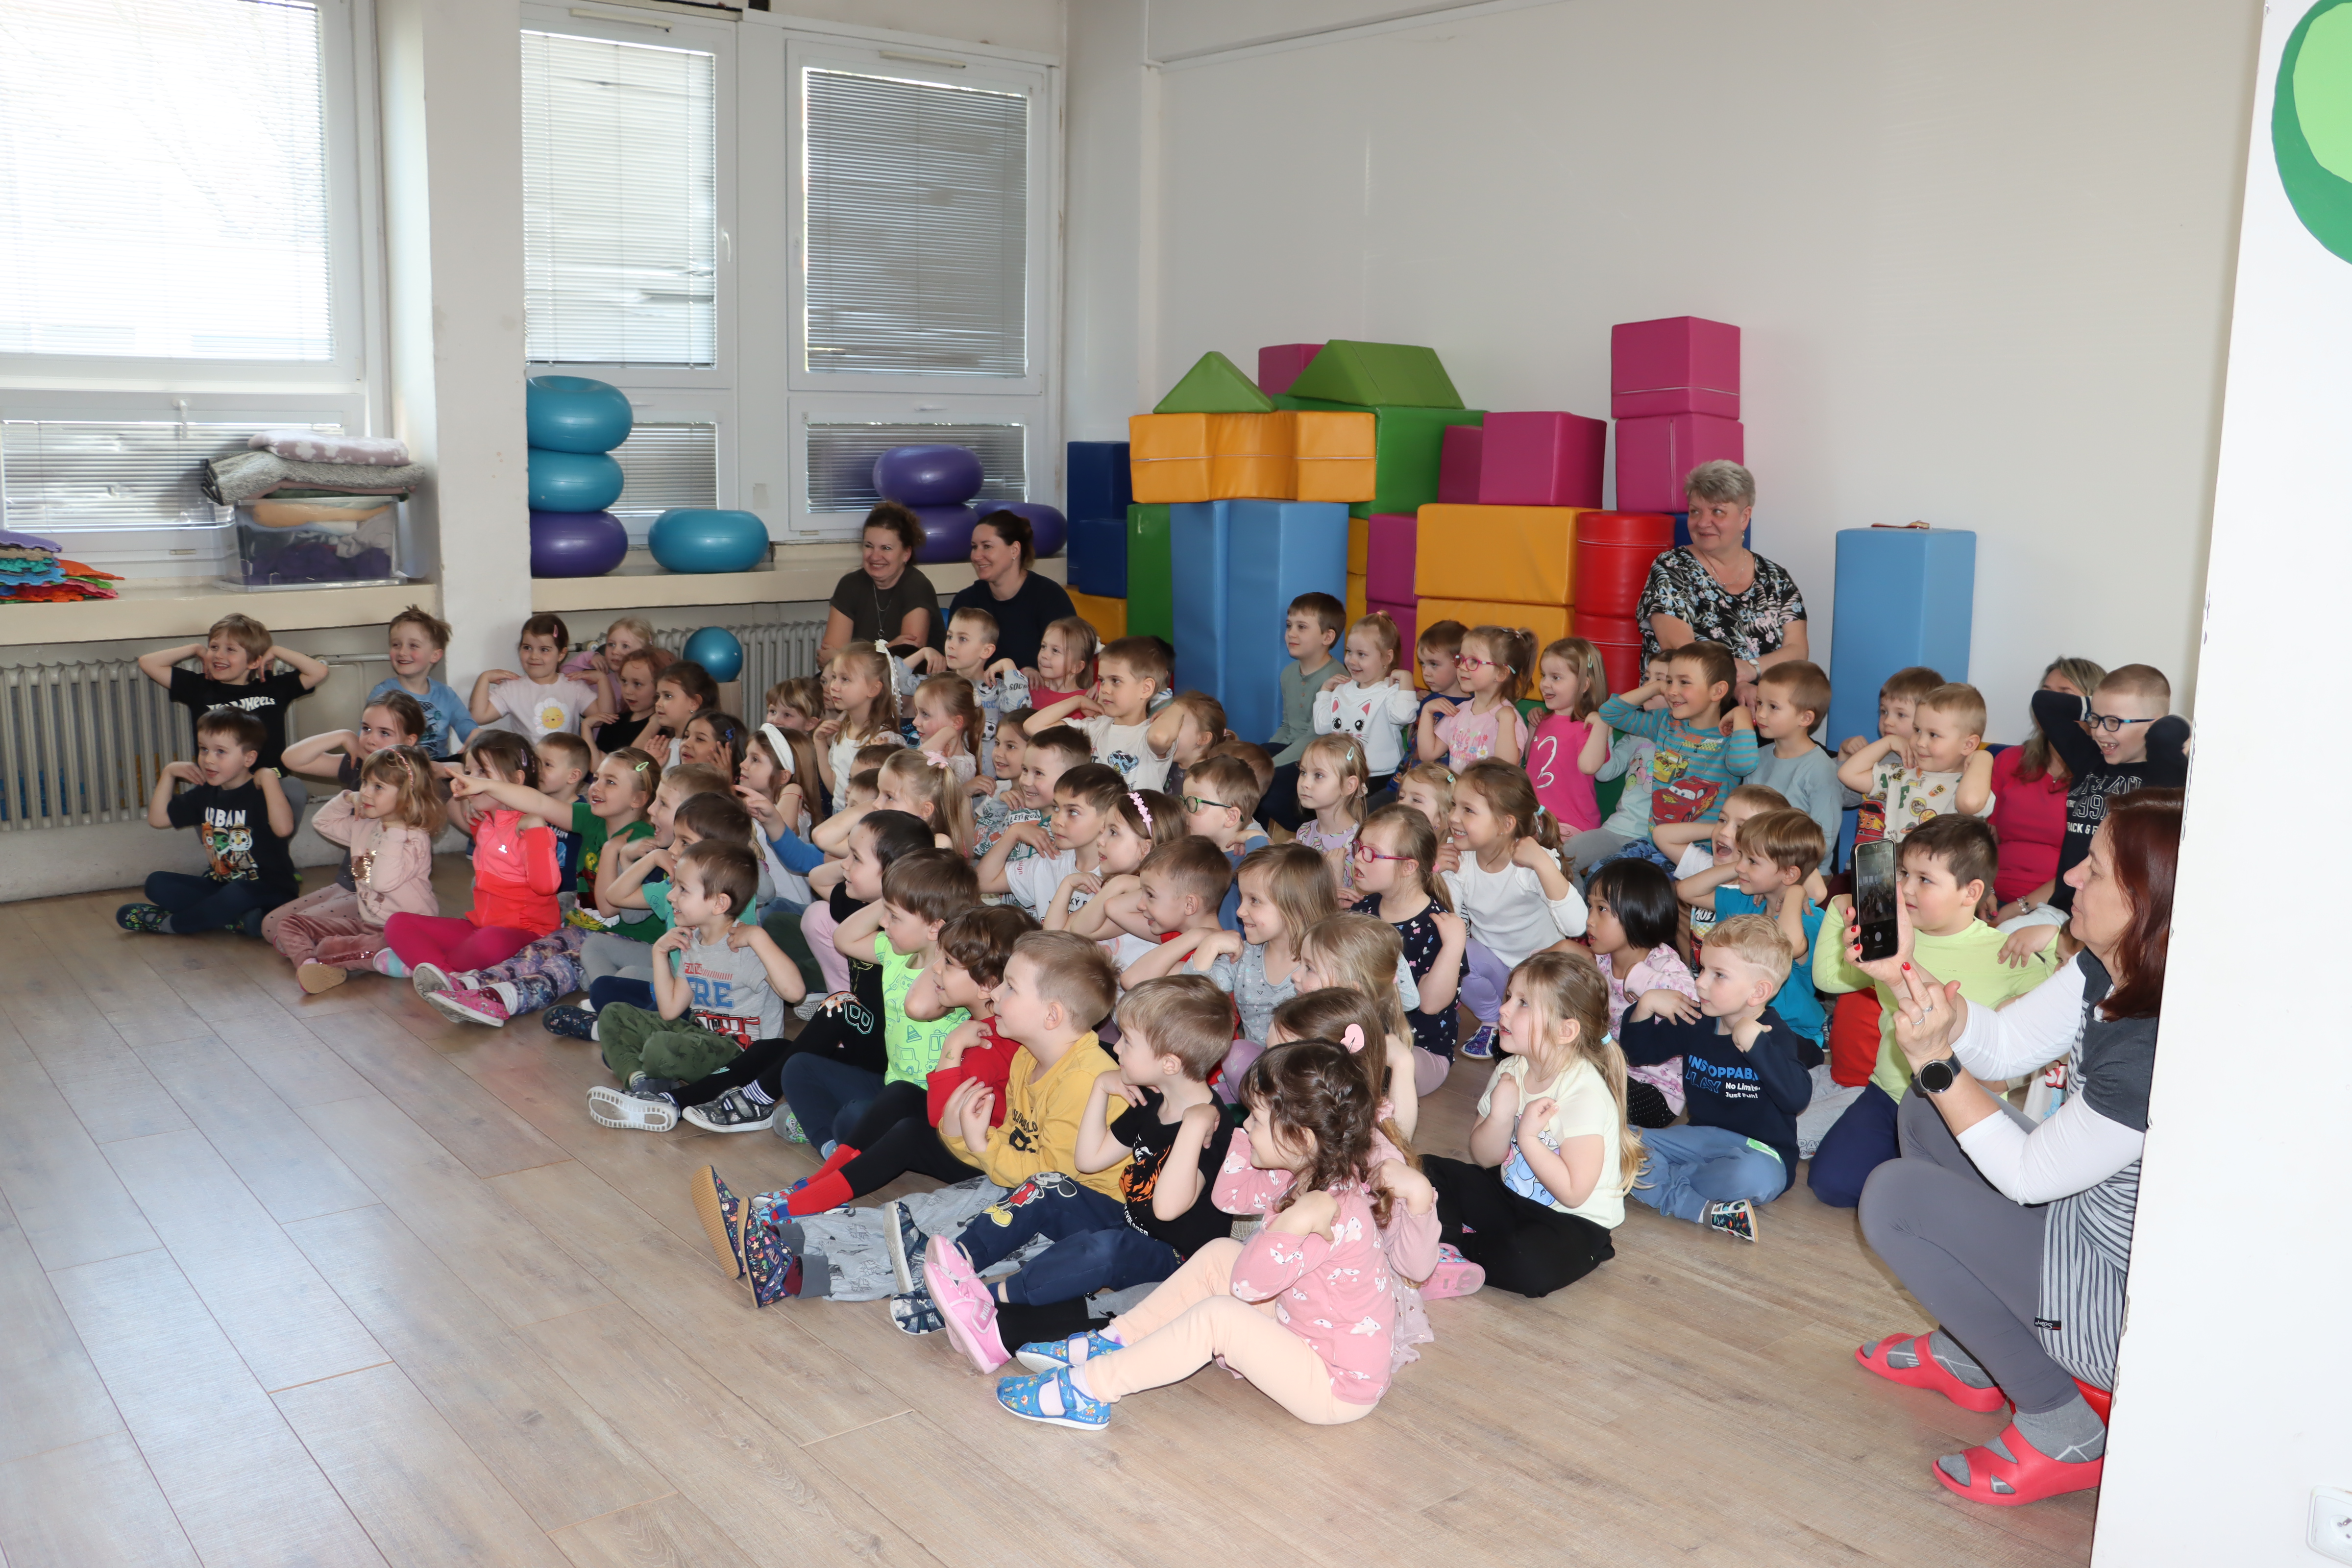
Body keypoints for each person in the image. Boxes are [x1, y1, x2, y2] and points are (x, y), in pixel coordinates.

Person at [1852, 789, 2178, 1506]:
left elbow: (2028, 1177)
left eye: (2094, 869)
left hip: (2121, 1303)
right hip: (2082, 1223)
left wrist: (1937, 1064)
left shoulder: (2154, 1045)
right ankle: (1976, 1353)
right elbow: (2005, 1044)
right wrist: (1903, 971)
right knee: (1925, 1112)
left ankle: (2062, 1423)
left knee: (1896, 1198)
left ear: (2145, 899)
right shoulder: (2113, 965)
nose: (2071, 878)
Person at [992, 1035, 1435, 1431]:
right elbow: (1230, 1196)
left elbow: (1247, 1286)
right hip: (1301, 1332)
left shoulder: (1329, 1210)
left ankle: (1091, 1389)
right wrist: (1236, 1134)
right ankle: (1115, 1340)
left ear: (1300, 1138)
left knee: (1221, 1316)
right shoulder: (1305, 1170)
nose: (1246, 1125)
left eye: (1255, 1119)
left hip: (1336, 1386)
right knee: (1223, 1251)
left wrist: (1291, 1224)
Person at [913, 973, 1238, 1373]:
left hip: (1177, 1261)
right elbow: (1089, 1161)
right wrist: (1101, 1088)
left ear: (1169, 1063)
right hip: (1132, 1226)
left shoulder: (1213, 1127)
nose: (1115, 1047)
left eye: (1128, 1041)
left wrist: (1192, 1126)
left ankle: (989, 1297)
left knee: (1106, 1249)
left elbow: (1167, 1209)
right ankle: (962, 1261)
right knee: (1050, 1184)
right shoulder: (1153, 1099)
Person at [1809, 815, 2058, 1206]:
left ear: (1970, 892)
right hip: (1889, 1093)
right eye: (1904, 873)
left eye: (1925, 879)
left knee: (1967, 1200)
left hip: (1964, 1108)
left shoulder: (2008, 953)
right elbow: (1829, 979)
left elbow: (2051, 1026)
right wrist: (1839, 909)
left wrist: (2055, 935)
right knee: (1830, 1185)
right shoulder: (1889, 937)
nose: (1906, 888)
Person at [1422, 952, 1641, 1297]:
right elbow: (1486, 1158)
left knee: (1529, 1265)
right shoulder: (1511, 1069)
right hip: (1511, 1196)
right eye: (1510, 997)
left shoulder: (1584, 1094)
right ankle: (1447, 1249)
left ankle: (1451, 1243)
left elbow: (1574, 1194)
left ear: (1565, 1031)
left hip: (1570, 1221)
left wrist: (1527, 1137)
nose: (1504, 1009)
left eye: (1523, 1003)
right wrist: (1500, 1116)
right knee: (1425, 1169)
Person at [421, 748, 663, 1027]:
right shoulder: (592, 819)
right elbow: (538, 802)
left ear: (638, 799)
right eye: (596, 778)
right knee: (535, 952)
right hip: (582, 928)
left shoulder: (643, 842)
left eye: (611, 782)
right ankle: (472, 985)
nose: (596, 787)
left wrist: (613, 851)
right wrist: (484, 785)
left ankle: (501, 1001)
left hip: (624, 942)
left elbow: (611, 908)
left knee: (560, 967)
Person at [1618, 913, 1813, 1243]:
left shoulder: (1772, 1034)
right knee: (1612, 1142)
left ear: (1758, 992)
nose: (1700, 982)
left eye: (1718, 975)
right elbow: (1637, 1053)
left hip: (1760, 1153)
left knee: (1755, 1178)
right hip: (1699, 1140)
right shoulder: (1696, 1020)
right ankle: (1696, 1205)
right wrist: (1646, 1006)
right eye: (1702, 969)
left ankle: (1667, 1186)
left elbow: (1797, 1098)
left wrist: (1757, 1046)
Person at [588, 839, 807, 1109]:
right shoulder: (692, 942)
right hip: (699, 1036)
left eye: (683, 889)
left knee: (660, 1047)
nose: (671, 896)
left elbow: (795, 993)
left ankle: (645, 1070)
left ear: (719, 903)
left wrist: (759, 938)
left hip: (740, 1054)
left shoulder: (746, 946)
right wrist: (659, 953)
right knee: (613, 1013)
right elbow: (670, 1010)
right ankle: (640, 1081)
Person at [1127, 842, 1335, 1085]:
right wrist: (1208, 945)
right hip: (1247, 1077)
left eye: (1254, 900)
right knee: (1236, 1056)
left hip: (1302, 1082)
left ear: (1296, 906)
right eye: (1242, 899)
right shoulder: (1243, 956)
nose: (1240, 911)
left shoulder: (1324, 967)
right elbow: (1191, 1001)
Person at [375, 731, 562, 977]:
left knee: (489, 942)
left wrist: (537, 828)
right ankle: (449, 976)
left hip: (528, 937)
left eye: (483, 772)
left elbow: (546, 887)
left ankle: (431, 965)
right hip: (479, 928)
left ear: (516, 780)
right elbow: (453, 796)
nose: (472, 780)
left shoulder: (532, 829)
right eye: (469, 772)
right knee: (398, 923)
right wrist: (461, 786)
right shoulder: (484, 822)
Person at [1439, 758, 1586, 1058]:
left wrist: (1543, 863)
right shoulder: (1460, 859)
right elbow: (1450, 923)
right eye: (1454, 806)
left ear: (1506, 825)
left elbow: (1577, 926)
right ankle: (1494, 1020)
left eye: (1468, 810)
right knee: (1455, 949)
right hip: (1497, 973)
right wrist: (1436, 873)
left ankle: (1530, 1024)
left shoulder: (1531, 863)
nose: (1453, 817)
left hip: (1539, 975)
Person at [2023, 663, 2191, 922]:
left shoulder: (2164, 776)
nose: (2099, 732)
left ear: (2152, 726)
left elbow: (2168, 733)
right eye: (2096, 720)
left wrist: (2176, 722)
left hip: (2115, 916)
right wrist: (2103, 706)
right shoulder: (2089, 760)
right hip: (2062, 911)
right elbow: (2044, 702)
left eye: (2114, 722)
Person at [1634, 459, 1808, 703]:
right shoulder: (1672, 567)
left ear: (1744, 517)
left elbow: (1798, 651)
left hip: (1762, 710)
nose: (1703, 522)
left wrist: (1752, 669)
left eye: (1717, 511)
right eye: (1695, 511)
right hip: (1683, 713)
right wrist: (1735, 687)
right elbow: (1680, 648)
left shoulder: (1776, 578)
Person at [272, 746, 442, 991]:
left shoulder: (413, 839)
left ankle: (398, 958)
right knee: (290, 924)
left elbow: (381, 883)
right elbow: (322, 823)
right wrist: (348, 799)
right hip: (368, 924)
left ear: (408, 795)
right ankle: (309, 963)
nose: (366, 792)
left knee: (329, 947)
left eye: (378, 787)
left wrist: (395, 829)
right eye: (365, 782)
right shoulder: (367, 826)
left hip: (408, 932)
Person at [116, 708, 297, 936]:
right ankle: (237, 921)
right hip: (222, 885)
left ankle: (172, 924)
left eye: (221, 752)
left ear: (249, 758)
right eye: (204, 749)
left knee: (236, 894)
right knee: (157, 883)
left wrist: (270, 777)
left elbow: (284, 829)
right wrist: (169, 774)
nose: (208, 759)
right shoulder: (206, 793)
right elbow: (158, 820)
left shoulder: (262, 792)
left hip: (270, 891)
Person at [138, 613, 329, 813]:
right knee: (209, 811)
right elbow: (148, 663)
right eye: (214, 647)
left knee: (292, 790)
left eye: (230, 650)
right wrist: (195, 649)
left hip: (268, 783)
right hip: (221, 785)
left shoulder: (273, 687)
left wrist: (276, 651)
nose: (219, 655)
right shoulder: (200, 687)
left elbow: (319, 672)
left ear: (254, 662)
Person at [1349, 803, 1467, 1091]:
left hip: (1420, 1052)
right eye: (1358, 846)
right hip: (1363, 1039)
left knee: (1379, 1067)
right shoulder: (1363, 910)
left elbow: (1430, 1004)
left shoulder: (1439, 927)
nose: (1359, 858)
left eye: (1372, 853)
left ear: (1408, 867)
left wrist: (1454, 945)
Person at [1595, 639, 1761, 836]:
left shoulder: (1730, 738)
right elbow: (1610, 713)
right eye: (1669, 682)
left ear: (1717, 691)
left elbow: (1743, 766)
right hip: (1653, 844)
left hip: (1700, 849)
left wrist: (1742, 714)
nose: (1672, 691)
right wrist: (1656, 687)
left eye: (1684, 682)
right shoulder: (1665, 723)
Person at [1582, 857, 1696, 1128]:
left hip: (1656, 1091)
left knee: (1589, 1090)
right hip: (1607, 1068)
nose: (1590, 920)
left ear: (1641, 916)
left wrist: (1638, 977)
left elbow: (1694, 999)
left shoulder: (1663, 963)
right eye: (1590, 907)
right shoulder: (1602, 960)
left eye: (1602, 909)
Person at [1989, 657, 2106, 919]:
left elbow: (2089, 865)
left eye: (2064, 696)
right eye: (2046, 693)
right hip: (1988, 897)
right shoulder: (2010, 760)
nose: (2050, 705)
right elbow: (1985, 840)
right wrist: (1982, 888)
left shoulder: (2102, 776)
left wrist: (2020, 908)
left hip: (2059, 906)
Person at [1839, 681, 1995, 846]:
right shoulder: (1900, 774)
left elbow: (1970, 803)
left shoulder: (1970, 786)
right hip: (1899, 862)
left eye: (1933, 735)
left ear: (1968, 745)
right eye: (1917, 730)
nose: (1920, 742)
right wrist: (1888, 742)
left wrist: (1983, 757)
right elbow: (1848, 774)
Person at [1027, 636, 1177, 791]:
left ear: (1146, 689)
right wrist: (1078, 701)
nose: (1104, 689)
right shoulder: (1093, 728)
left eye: (1115, 681)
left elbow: (1160, 739)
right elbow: (1032, 727)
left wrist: (1179, 706)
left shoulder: (1150, 734)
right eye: (1102, 680)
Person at [944, 509, 1078, 677]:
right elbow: (956, 667)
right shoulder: (966, 602)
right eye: (974, 547)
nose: (977, 556)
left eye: (987, 546)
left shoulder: (1050, 598)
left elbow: (1073, 661)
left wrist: (1037, 671)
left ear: (1015, 550)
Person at [1312, 611, 1421, 798]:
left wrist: (1406, 679)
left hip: (1382, 776)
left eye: (1362, 654)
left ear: (1387, 657)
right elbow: (1322, 727)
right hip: (1345, 771)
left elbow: (1405, 716)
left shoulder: (1391, 691)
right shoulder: (1342, 689)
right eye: (1349, 652)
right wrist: (1325, 692)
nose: (1352, 661)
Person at [1745, 659, 1841, 871]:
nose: (1761, 714)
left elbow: (1824, 841)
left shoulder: (1821, 769)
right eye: (1759, 703)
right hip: (1758, 867)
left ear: (1805, 718)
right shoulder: (1757, 757)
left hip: (1804, 874)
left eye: (1773, 707)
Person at [1262, 592, 1345, 829]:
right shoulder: (1288, 673)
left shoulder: (1336, 679)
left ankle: (1307, 829)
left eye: (1302, 627)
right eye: (1289, 626)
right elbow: (1287, 726)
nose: (1291, 634)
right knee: (1245, 766)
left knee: (1267, 787)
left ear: (1327, 637)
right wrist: (1261, 759)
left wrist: (1269, 767)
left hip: (1318, 757)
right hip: (1293, 748)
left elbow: (1315, 737)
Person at [820, 502, 941, 662]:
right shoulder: (849, 585)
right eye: (869, 546)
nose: (875, 556)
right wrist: (888, 650)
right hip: (854, 677)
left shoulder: (918, 587)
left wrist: (847, 657)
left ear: (906, 554)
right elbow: (827, 660)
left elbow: (907, 661)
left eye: (886, 548)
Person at [469, 613, 609, 740]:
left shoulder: (574, 686)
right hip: (528, 760)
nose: (534, 656)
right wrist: (484, 678)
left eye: (544, 650)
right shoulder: (512, 688)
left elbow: (605, 719)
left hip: (567, 761)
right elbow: (479, 717)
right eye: (527, 648)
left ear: (561, 654)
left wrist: (602, 680)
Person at [1416, 624, 1535, 771]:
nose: (1462, 667)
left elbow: (1505, 769)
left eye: (1474, 661)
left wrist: (1507, 720)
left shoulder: (1509, 718)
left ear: (1501, 673)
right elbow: (1427, 755)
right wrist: (1427, 711)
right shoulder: (1459, 712)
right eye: (1462, 659)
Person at [1526, 637, 1612, 834]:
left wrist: (1601, 724)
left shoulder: (1588, 728)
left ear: (1584, 685)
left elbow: (1589, 767)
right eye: (1544, 675)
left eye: (1556, 678)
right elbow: (1532, 760)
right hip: (1537, 819)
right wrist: (1533, 726)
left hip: (1572, 825)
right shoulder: (1546, 721)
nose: (1545, 684)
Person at [1177, 751, 1270, 932]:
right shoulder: (1190, 852)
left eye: (1194, 803)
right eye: (1184, 801)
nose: (1184, 811)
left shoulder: (1245, 862)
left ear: (1231, 817)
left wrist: (1254, 837)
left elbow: (1269, 875)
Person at [370, 604, 474, 757]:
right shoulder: (382, 694)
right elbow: (367, 737)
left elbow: (468, 728)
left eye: (413, 646)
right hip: (395, 765)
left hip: (438, 767)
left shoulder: (446, 695)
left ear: (435, 656)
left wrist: (475, 738)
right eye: (396, 645)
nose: (402, 652)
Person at [1287, 733, 1372, 898]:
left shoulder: (1359, 843)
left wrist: (1336, 878)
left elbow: (1357, 905)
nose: (1305, 783)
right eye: (1303, 772)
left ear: (1349, 786)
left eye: (1318, 775)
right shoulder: (1305, 831)